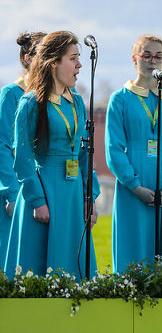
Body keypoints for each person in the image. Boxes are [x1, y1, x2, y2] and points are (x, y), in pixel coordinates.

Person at [5, 31, 99, 278]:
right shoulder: (30, 103)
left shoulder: (77, 101)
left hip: (73, 190)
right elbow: (23, 159)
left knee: (74, 263)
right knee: (39, 268)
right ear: (53, 62)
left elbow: (83, 154)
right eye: (73, 58)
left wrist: (90, 197)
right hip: (46, 188)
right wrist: (38, 201)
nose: (79, 64)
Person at [106, 35, 162, 271]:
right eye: (147, 55)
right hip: (134, 186)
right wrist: (135, 186)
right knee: (135, 251)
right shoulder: (119, 99)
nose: (153, 61)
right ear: (135, 59)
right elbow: (114, 148)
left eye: (159, 56)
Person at [0, 32, 46, 260]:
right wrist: (10, 193)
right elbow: (3, 146)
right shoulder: (10, 95)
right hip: (17, 192)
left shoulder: (57, 94)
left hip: (44, 190)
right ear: (28, 59)